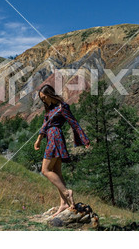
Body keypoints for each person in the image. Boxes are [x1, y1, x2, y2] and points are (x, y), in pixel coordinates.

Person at [34, 84, 90, 217]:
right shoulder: (50, 110)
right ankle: (64, 204)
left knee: (45, 170)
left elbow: (74, 123)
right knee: (56, 172)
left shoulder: (62, 107)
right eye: (42, 99)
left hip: (55, 138)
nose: (43, 100)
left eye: (44, 97)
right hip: (51, 138)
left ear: (50, 94)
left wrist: (84, 139)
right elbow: (44, 126)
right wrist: (38, 140)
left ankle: (66, 192)